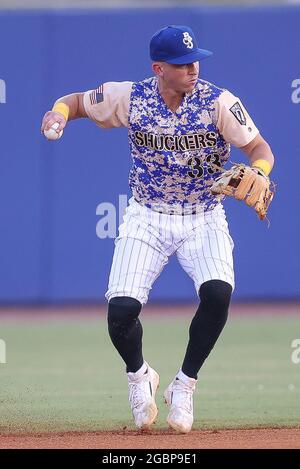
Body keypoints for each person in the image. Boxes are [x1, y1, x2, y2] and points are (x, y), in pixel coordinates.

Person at [41, 25, 275, 434]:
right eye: (182, 64)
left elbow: (260, 149)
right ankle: (139, 375)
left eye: (195, 60)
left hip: (202, 214)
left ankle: (184, 385)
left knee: (218, 293)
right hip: (147, 214)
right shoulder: (130, 97)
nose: (193, 69)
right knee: (121, 314)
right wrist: (57, 115)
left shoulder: (219, 102)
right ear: (159, 68)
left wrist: (258, 171)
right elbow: (74, 101)